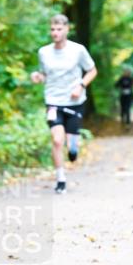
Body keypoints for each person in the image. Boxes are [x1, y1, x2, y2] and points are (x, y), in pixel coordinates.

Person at [30, 14, 97, 194]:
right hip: (53, 101)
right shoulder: (44, 52)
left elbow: (92, 71)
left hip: (75, 101)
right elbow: (44, 74)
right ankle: (60, 178)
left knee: (71, 146)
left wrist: (81, 85)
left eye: (59, 29)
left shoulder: (78, 50)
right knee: (57, 140)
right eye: (52, 29)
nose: (55, 33)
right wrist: (38, 77)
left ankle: (74, 148)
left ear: (67, 29)